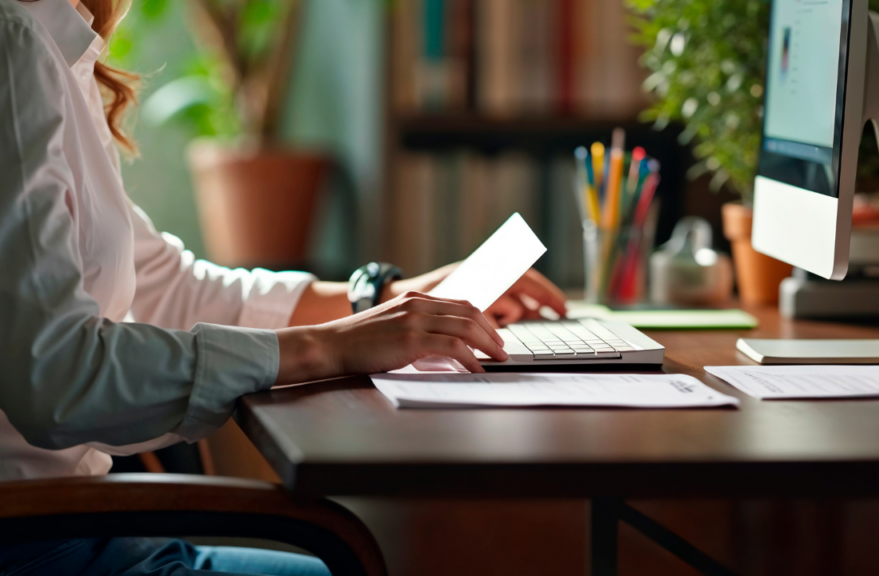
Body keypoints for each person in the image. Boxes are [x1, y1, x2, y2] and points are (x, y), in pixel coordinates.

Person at [0, 0, 568, 574]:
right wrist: (330, 346)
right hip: (42, 546)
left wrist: (378, 299)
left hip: (81, 530)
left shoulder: (56, 37)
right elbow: (59, 375)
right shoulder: (13, 36)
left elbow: (164, 285)